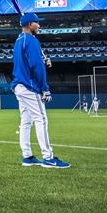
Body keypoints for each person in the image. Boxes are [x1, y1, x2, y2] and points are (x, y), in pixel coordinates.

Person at [11, 12, 70, 169]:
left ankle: (27, 156)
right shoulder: (31, 41)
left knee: (26, 121)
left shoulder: (19, 40)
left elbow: (30, 61)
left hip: (19, 85)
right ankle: (48, 158)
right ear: (30, 24)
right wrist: (44, 88)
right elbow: (36, 66)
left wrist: (43, 61)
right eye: (37, 23)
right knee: (41, 119)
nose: (39, 25)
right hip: (30, 86)